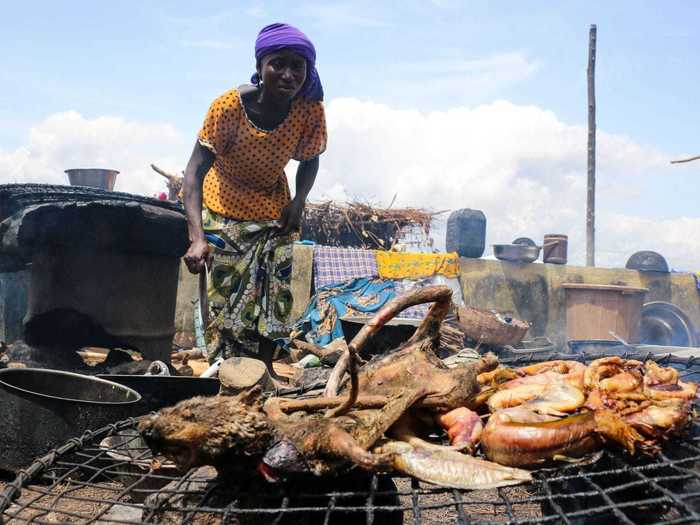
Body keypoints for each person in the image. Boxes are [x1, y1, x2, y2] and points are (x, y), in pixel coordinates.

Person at [182, 23, 327, 374]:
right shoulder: (229, 107)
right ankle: (226, 367)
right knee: (225, 294)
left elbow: (310, 158)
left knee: (275, 292)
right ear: (261, 65)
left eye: (298, 67)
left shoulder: (308, 110)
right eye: (279, 64)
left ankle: (263, 369)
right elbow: (193, 174)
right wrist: (197, 237)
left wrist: (299, 201)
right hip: (224, 203)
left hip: (272, 208)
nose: (289, 74)